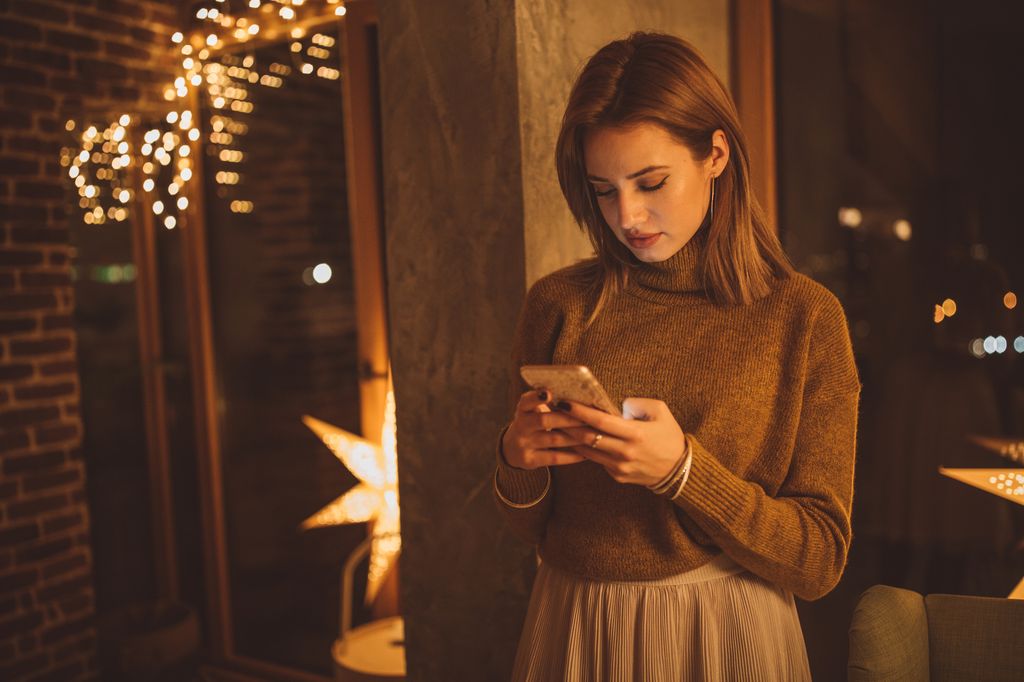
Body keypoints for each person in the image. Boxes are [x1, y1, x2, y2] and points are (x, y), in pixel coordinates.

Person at [492, 32, 861, 681]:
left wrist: (684, 473)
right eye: (603, 190)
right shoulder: (558, 305)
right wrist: (517, 460)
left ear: (716, 154)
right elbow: (531, 528)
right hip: (577, 622)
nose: (628, 216)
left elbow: (819, 561)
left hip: (727, 632)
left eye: (650, 181)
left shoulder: (802, 318)